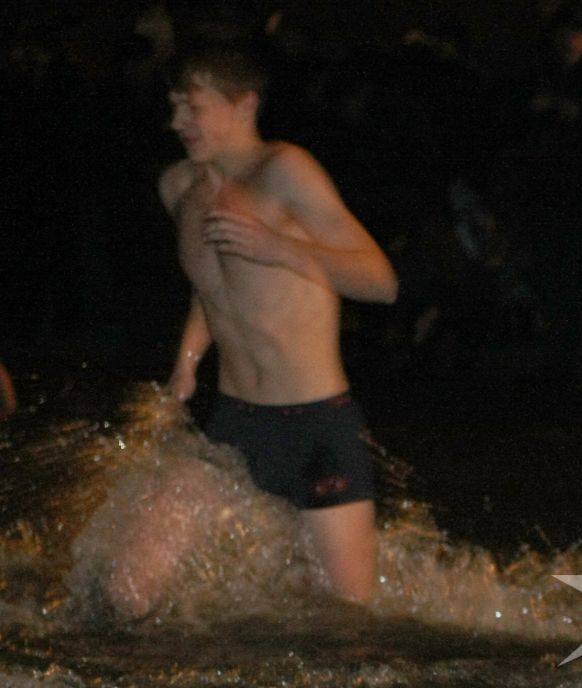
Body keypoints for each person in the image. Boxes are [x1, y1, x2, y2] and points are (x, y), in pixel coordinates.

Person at [105, 43, 397, 618]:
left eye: (192, 108)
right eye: (172, 107)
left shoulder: (286, 170)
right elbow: (215, 285)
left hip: (318, 428)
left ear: (244, 105)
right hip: (234, 425)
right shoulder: (177, 187)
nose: (176, 123)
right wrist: (187, 361)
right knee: (127, 589)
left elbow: (381, 281)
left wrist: (280, 247)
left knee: (345, 624)